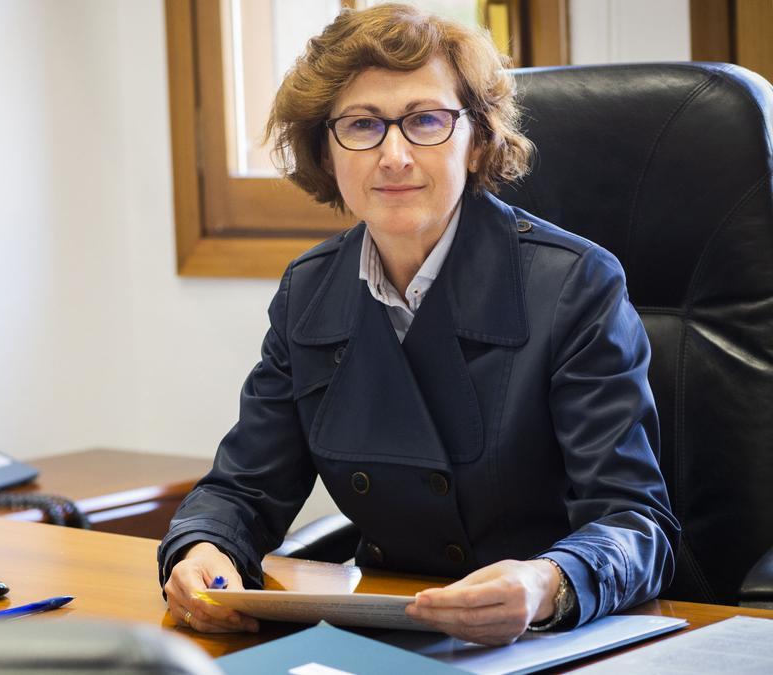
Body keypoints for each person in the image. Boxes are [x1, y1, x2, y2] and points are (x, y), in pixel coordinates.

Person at [158, 3, 679, 647]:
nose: (393, 155)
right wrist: (201, 550)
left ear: (478, 139)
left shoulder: (576, 283)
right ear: (326, 148)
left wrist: (548, 584)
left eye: (426, 120)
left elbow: (635, 524)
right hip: (389, 633)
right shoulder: (308, 290)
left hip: (549, 641)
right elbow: (243, 488)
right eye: (362, 124)